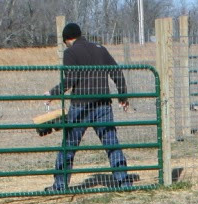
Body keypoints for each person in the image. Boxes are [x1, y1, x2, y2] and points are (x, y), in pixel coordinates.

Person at [47, 23, 134, 192]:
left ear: (67, 39)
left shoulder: (70, 52)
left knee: (69, 145)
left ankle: (59, 185)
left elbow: (70, 79)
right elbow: (116, 72)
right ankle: (124, 182)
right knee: (111, 144)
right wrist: (122, 95)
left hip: (81, 105)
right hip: (103, 104)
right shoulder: (100, 49)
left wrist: (52, 93)